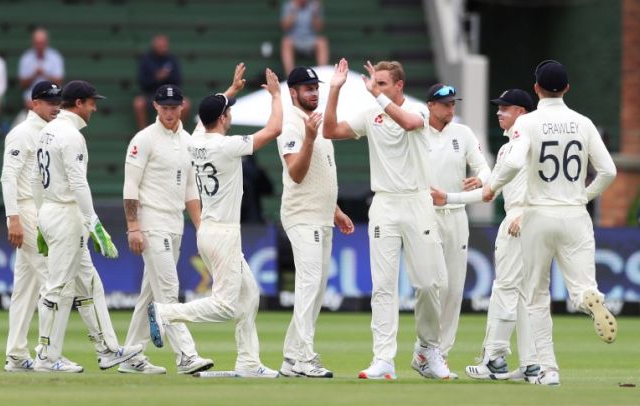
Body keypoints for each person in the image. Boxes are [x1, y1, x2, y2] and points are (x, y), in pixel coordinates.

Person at [482, 60, 618, 385]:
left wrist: (492, 186)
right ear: (567, 88)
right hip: (575, 214)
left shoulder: (527, 124)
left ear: (536, 89)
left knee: (536, 297)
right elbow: (609, 171)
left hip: (538, 215)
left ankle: (549, 370)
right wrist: (583, 196)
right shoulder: (583, 123)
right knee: (582, 285)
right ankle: (588, 297)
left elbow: (513, 160)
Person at [148, 67, 283, 378]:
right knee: (224, 305)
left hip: (208, 230)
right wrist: (276, 96)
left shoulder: (195, 140)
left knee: (249, 295)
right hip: (223, 234)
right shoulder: (227, 146)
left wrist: (231, 89)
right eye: (228, 112)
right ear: (223, 119)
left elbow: (209, 113)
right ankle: (165, 312)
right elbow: (274, 129)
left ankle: (249, 363)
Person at [323, 59, 450, 380]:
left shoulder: (420, 111)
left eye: (382, 83)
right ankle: (383, 359)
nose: (375, 88)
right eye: (373, 83)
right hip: (384, 205)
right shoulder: (371, 115)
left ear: (399, 85)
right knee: (383, 286)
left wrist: (375, 96)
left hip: (417, 202)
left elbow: (407, 124)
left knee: (428, 285)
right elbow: (329, 130)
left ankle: (427, 351)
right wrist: (335, 90)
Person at [120, 66, 247, 374]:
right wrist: (133, 227)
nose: (170, 113)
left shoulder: (189, 140)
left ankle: (131, 356)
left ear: (183, 107)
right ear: (155, 107)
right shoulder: (144, 139)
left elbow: (191, 189)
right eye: (164, 108)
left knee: (149, 293)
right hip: (151, 223)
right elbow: (130, 187)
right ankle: (186, 357)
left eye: (174, 108)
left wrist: (201, 225)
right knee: (168, 291)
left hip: (174, 224)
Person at [431, 88, 540, 382]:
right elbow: (489, 190)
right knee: (524, 294)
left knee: (505, 289)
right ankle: (531, 363)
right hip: (532, 221)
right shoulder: (508, 149)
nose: (498, 113)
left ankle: (494, 358)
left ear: (521, 112)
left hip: (521, 221)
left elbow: (539, 188)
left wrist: (526, 213)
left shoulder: (526, 144)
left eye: (505, 108)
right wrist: (450, 198)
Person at [34, 80, 142, 372]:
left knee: (90, 284)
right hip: (66, 215)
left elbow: (37, 177)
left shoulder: (48, 131)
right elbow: (77, 182)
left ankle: (106, 349)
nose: (95, 107)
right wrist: (93, 222)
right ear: (79, 103)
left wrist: (42, 218)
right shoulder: (70, 136)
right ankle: (45, 355)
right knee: (57, 287)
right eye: (92, 102)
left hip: (53, 210)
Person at [276, 66, 354, 378]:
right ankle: (305, 359)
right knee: (308, 286)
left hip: (321, 215)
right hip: (301, 214)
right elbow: (296, 173)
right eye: (306, 88)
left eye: (315, 87)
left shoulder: (316, 122)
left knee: (316, 290)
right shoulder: (291, 124)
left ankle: (291, 358)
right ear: (292, 92)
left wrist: (335, 210)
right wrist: (309, 137)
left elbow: (322, 172)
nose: (313, 93)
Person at [414, 84, 490, 378]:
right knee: (434, 285)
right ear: (431, 105)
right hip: (425, 215)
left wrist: (479, 180)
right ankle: (425, 348)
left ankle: (438, 355)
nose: (450, 109)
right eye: (444, 104)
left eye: (453, 104)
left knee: (454, 290)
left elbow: (484, 168)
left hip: (456, 215)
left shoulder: (464, 134)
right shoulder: (416, 131)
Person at [0, 81, 62, 371]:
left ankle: (15, 354)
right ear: (34, 103)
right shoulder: (21, 133)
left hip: (41, 210)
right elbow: (8, 178)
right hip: (26, 211)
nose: (55, 106)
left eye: (58, 101)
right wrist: (13, 218)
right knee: (53, 280)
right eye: (49, 101)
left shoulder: (51, 132)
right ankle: (47, 354)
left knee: (25, 289)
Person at [133, 34, 190, 130]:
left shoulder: (172, 59)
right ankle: (142, 132)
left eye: (164, 46)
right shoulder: (146, 60)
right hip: (151, 94)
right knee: (138, 103)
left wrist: (166, 77)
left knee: (186, 104)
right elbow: (142, 82)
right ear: (154, 46)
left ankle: (177, 130)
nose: (163, 48)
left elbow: (178, 80)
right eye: (160, 46)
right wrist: (156, 78)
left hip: (170, 95)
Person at [18, 27, 64, 107]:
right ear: (33, 43)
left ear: (46, 42)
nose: (40, 46)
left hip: (52, 92)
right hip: (32, 93)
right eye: (37, 43)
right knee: (34, 104)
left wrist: (44, 74)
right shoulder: (26, 58)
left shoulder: (55, 57)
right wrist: (34, 75)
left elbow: (59, 81)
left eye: (42, 43)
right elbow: (22, 84)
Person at [280, 0, 329, 75]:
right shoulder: (289, 5)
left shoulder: (314, 6)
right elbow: (284, 27)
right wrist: (293, 12)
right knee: (286, 42)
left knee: (322, 42)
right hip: (294, 39)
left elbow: (319, 28)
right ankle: (290, 76)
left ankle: (322, 73)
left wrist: (315, 13)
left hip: (310, 38)